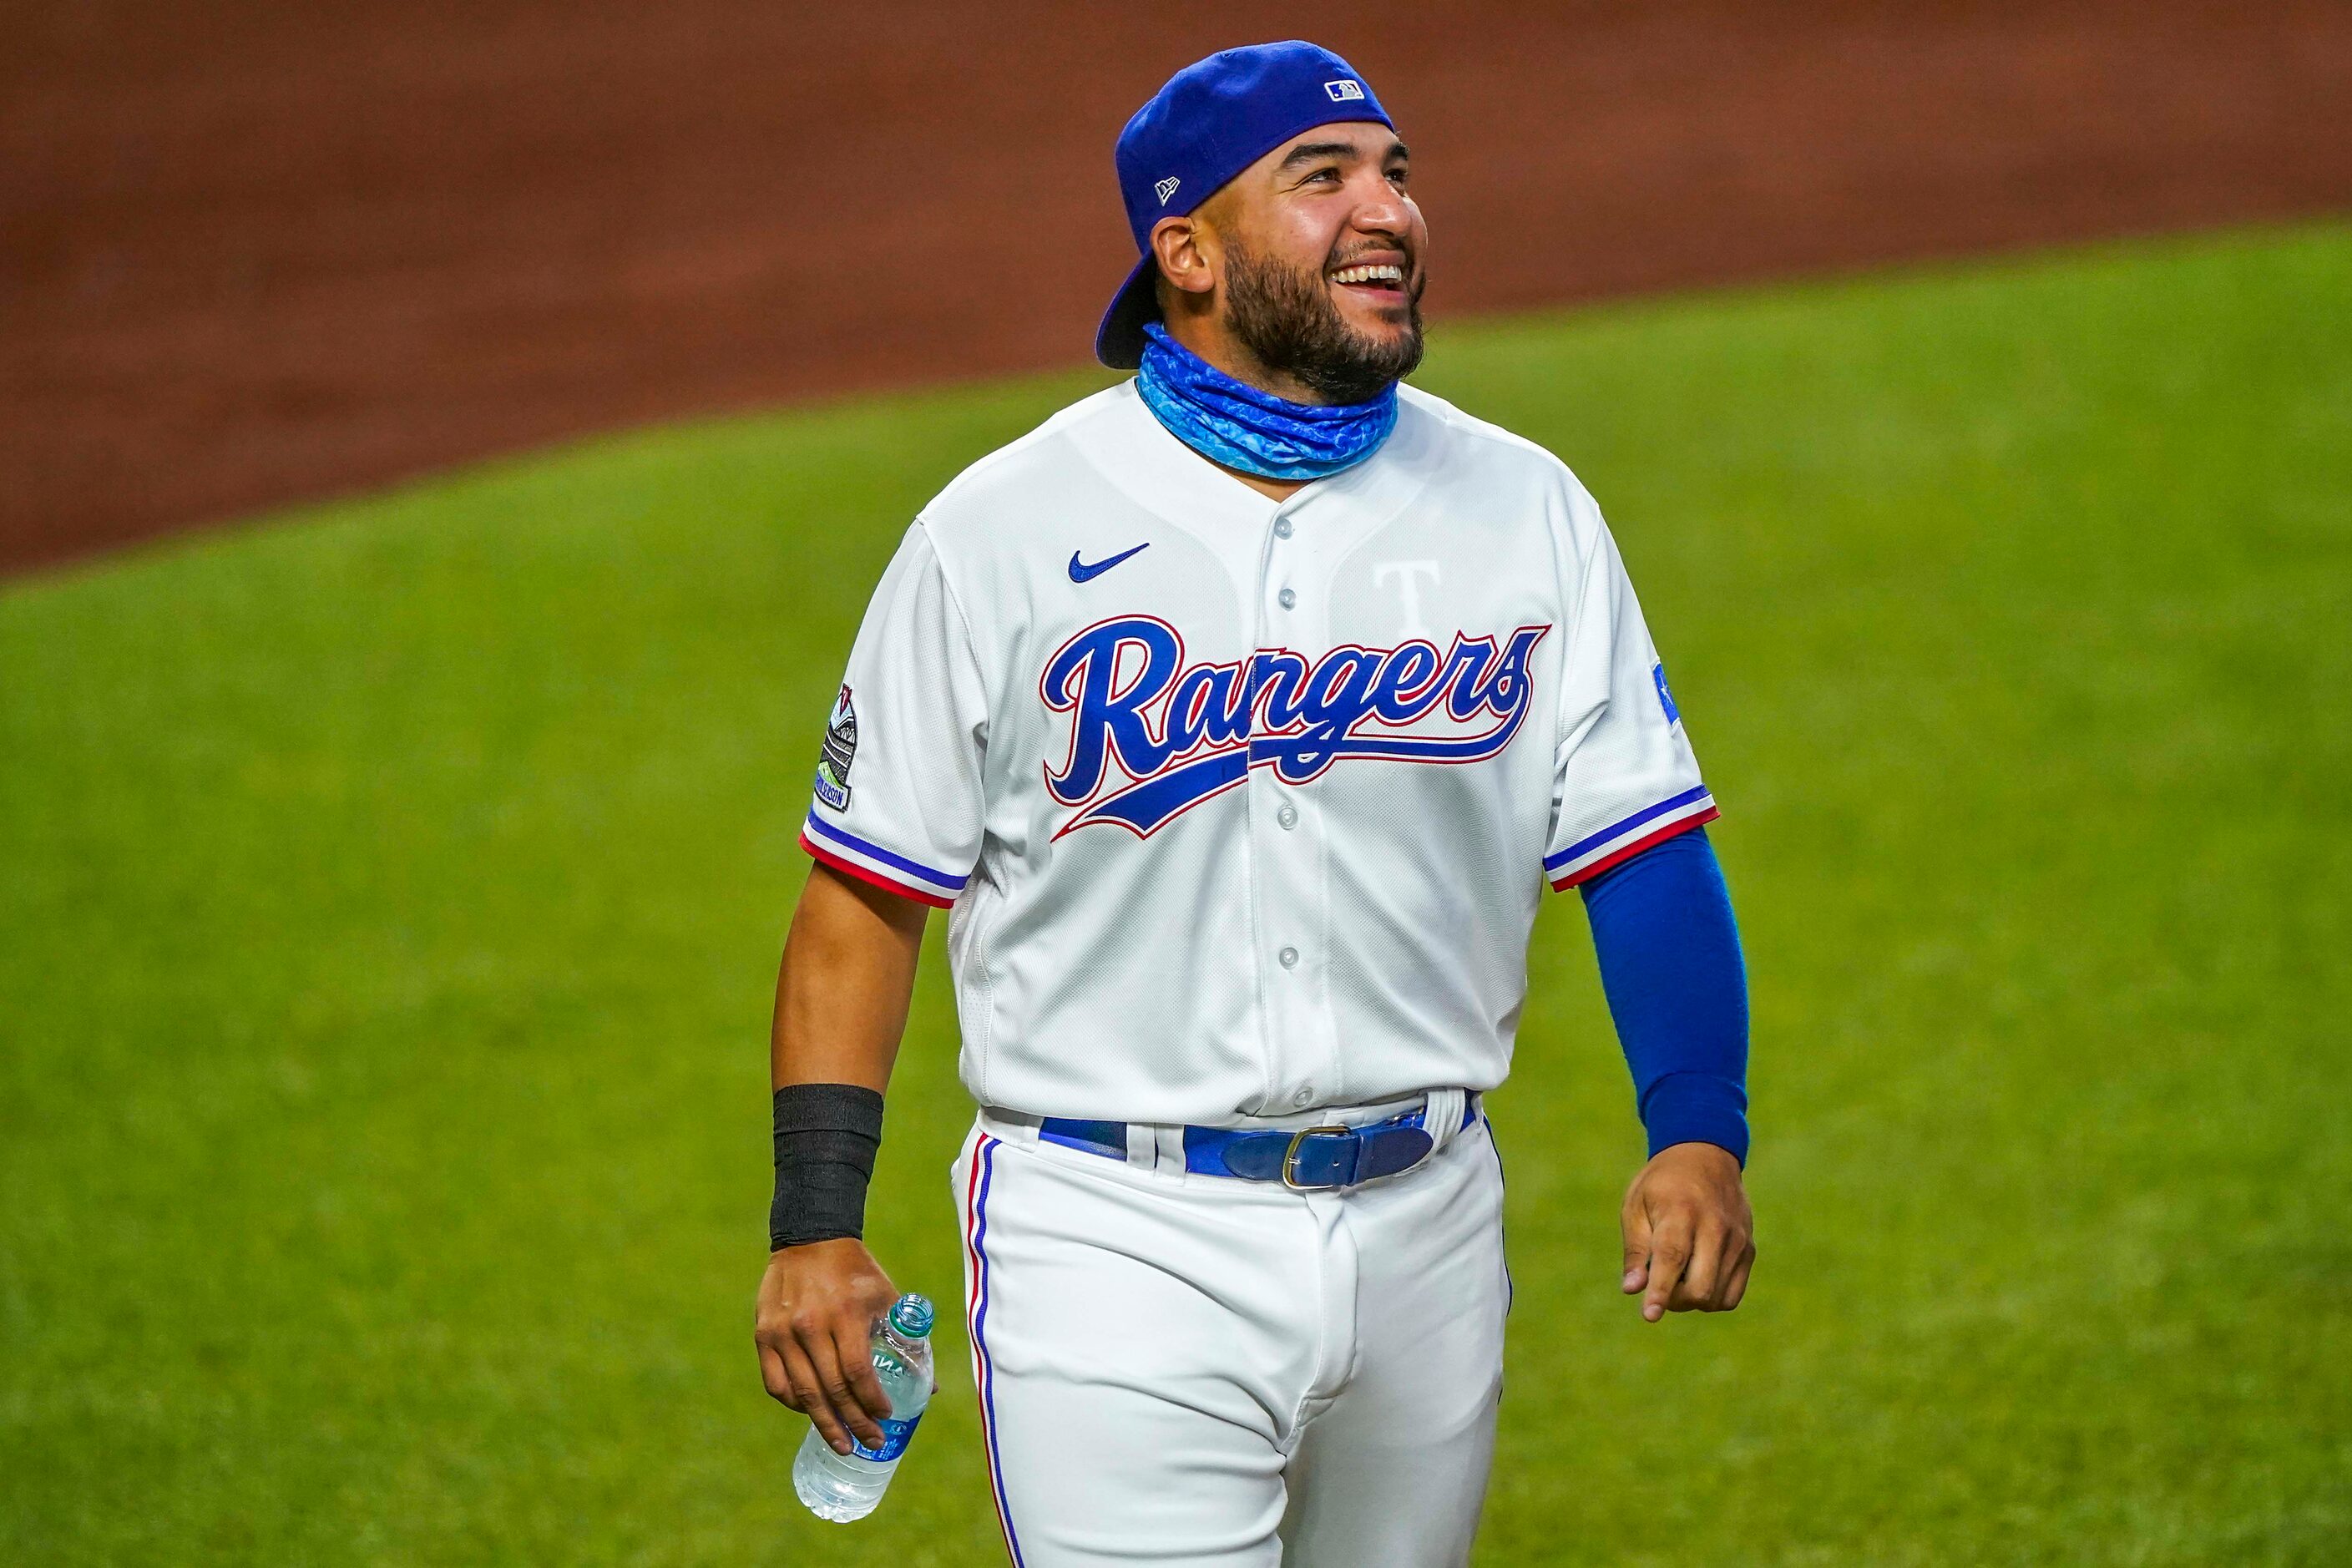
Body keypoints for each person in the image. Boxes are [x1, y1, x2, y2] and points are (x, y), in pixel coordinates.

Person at [754, 40, 1754, 1565]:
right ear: (1187, 254)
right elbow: (865, 898)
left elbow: (1643, 845)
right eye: (1323, 178)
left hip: (1427, 1216)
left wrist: (1698, 1128)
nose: (1389, 211)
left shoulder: (1526, 506)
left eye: (1397, 173)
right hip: (1110, 1231)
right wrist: (817, 1222)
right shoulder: (998, 532)